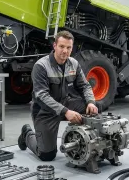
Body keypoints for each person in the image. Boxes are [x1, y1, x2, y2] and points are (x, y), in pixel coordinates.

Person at [18, 30, 98, 161]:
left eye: (68, 47)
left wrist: (91, 102)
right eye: (61, 46)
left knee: (94, 109)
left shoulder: (74, 64)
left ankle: (93, 144)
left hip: (66, 103)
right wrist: (65, 112)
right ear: (54, 46)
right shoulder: (41, 66)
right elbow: (42, 96)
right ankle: (27, 135)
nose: (65, 51)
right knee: (47, 155)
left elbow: (84, 86)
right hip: (44, 110)